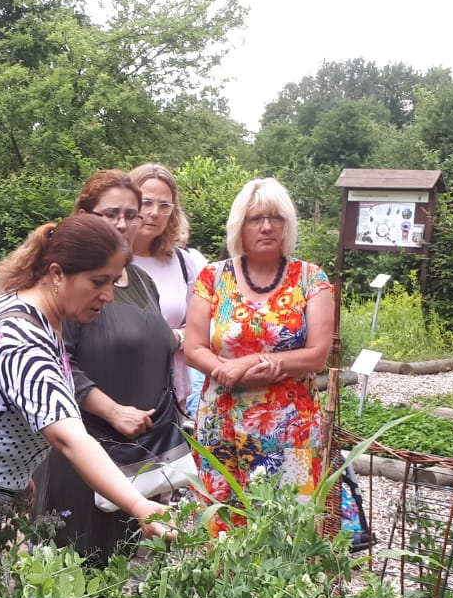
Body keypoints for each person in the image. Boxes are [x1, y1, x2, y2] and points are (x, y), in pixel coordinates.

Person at [0, 214, 172, 553]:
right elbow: (70, 438)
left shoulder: (22, 309)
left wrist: (19, 473)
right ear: (57, 273)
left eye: (113, 282)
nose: (108, 295)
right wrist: (140, 506)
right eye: (98, 282)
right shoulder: (24, 340)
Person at [34, 171, 183, 561]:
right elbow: (56, 361)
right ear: (84, 215)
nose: (122, 223)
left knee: (130, 562)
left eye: (131, 214)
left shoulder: (142, 282)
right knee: (80, 559)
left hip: (140, 449)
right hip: (86, 442)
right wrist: (112, 410)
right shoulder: (72, 282)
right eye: (110, 213)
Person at [183, 178, 343, 516]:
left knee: (288, 522)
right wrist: (224, 371)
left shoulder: (310, 279)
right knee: (222, 520)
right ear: (239, 226)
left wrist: (259, 362)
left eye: (276, 217)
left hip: (289, 425)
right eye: (256, 219)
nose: (267, 226)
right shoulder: (212, 278)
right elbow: (194, 347)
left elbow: (317, 355)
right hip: (221, 419)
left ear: (288, 224)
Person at [127, 164, 207, 415]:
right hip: (113, 389)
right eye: (146, 202)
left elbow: (199, 328)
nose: (154, 213)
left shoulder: (183, 263)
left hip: (169, 394)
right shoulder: (102, 259)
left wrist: (175, 338)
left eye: (164, 206)